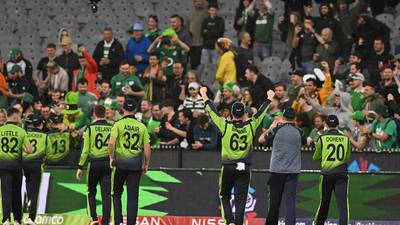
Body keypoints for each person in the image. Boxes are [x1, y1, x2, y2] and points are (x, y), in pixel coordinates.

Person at [200, 86, 275, 225]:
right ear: (244, 113)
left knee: (224, 196)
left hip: (228, 166)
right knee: (241, 199)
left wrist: (204, 95)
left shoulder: (225, 124)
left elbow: (212, 111)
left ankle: (230, 222)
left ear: (231, 113)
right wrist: (269, 98)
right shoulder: (251, 125)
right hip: (244, 167)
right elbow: (260, 113)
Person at [259, 108, 306, 225]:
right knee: (290, 202)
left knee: (274, 202)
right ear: (295, 118)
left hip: (277, 171)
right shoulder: (299, 132)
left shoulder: (276, 129)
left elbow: (260, 140)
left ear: (283, 117)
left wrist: (272, 126)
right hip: (293, 172)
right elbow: (307, 142)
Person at [108, 99, 151, 225]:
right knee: (132, 197)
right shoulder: (142, 126)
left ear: (123, 109)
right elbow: (147, 149)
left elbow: (111, 144)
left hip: (120, 163)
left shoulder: (118, 124)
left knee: (116, 193)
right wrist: (146, 164)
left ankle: (118, 222)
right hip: (135, 164)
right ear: (135, 110)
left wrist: (111, 157)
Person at [76, 105, 112, 225]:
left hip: (94, 163)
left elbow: (85, 150)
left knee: (91, 191)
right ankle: (106, 221)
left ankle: (94, 219)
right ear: (105, 113)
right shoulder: (112, 128)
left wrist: (80, 166)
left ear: (95, 114)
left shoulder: (90, 128)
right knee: (106, 193)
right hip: (107, 162)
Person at [313, 115, 351, 225]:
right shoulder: (345, 139)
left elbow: (316, 157)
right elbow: (347, 156)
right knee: (343, 204)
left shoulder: (322, 138)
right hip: (341, 174)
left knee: (324, 203)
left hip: (326, 174)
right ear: (338, 125)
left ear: (326, 124)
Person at [0, 108, 32, 225]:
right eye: (18, 116)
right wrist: (21, 148)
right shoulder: (21, 131)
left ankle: (6, 219)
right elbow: (29, 150)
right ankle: (18, 220)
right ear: (14, 116)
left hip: (3, 166)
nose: (20, 118)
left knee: (5, 192)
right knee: (16, 192)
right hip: (16, 166)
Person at [23, 114, 48, 225]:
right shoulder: (45, 136)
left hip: (24, 163)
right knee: (36, 191)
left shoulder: (25, 134)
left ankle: (29, 201)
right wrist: (46, 160)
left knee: (28, 183)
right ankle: (31, 219)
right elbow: (50, 153)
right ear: (41, 124)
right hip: (37, 164)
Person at [200, 4, 225, 81]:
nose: (213, 12)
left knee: (216, 66)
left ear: (217, 11)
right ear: (208, 11)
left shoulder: (220, 20)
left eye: (214, 10)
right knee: (204, 66)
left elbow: (220, 33)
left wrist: (208, 32)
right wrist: (213, 32)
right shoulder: (205, 20)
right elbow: (202, 33)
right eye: (211, 10)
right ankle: (203, 81)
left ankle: (215, 81)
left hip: (216, 48)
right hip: (206, 47)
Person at [187, 0, 208, 70]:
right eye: (196, 1)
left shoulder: (206, 13)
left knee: (201, 65)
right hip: (191, 43)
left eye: (200, 1)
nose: (198, 3)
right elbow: (187, 28)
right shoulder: (191, 14)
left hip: (201, 43)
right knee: (192, 64)